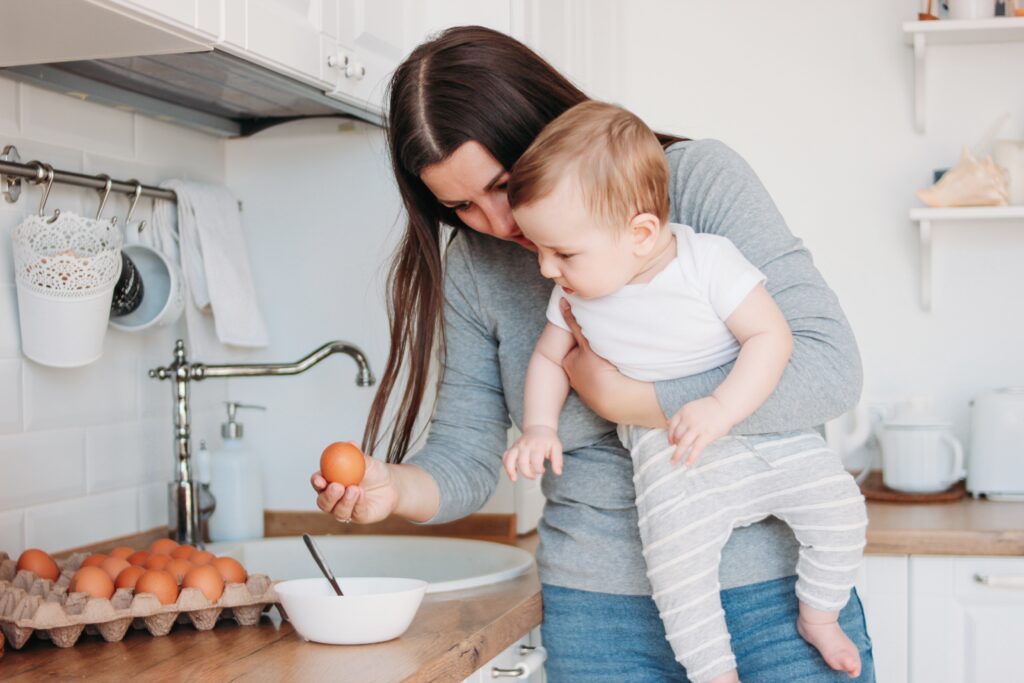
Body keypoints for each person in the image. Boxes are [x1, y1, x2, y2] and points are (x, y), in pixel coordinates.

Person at [310, 25, 875, 682]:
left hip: (769, 593)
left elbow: (828, 366)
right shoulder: (475, 265)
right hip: (599, 613)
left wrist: (627, 400)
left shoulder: (692, 183)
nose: (500, 223)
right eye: (461, 205)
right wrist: (396, 489)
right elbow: (466, 455)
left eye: (502, 182)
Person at [500, 100, 867, 683]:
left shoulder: (707, 262)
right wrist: (540, 426)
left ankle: (819, 615)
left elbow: (771, 337)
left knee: (841, 512)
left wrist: (721, 407)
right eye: (542, 251)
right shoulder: (575, 295)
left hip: (763, 436)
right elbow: (549, 357)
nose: (546, 268)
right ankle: (713, 671)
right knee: (677, 575)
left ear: (640, 233)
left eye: (562, 252)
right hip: (670, 462)